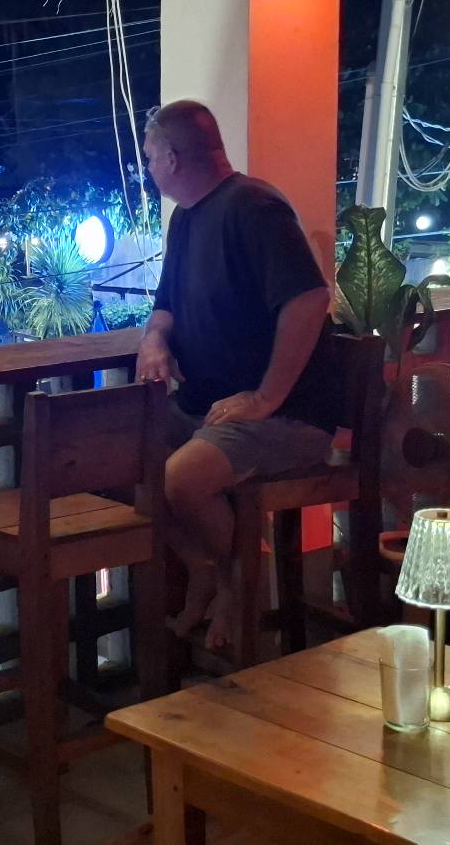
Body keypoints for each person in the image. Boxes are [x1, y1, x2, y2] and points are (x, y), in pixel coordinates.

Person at [136, 100, 340, 652]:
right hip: (209, 406)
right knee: (125, 463)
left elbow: (310, 298)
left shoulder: (253, 206)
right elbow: (164, 305)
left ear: (172, 157)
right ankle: (203, 569)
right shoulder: (185, 219)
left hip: (287, 416)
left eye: (150, 156)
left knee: (177, 482)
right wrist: (154, 340)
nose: (148, 167)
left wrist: (266, 395)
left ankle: (235, 586)